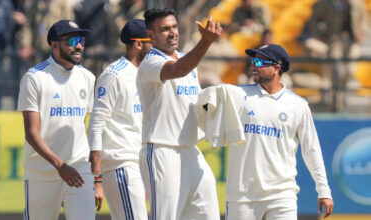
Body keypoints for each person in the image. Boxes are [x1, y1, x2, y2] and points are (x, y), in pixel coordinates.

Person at [225, 44, 334, 219]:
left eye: (259, 62)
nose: (253, 66)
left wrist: (324, 190)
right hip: (242, 197)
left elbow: (311, 150)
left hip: (282, 197)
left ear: (277, 67)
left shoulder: (298, 105)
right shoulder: (238, 95)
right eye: (253, 61)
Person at [136, 7, 222, 220]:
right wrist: (206, 42)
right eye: (165, 29)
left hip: (191, 151)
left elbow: (195, 101)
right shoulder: (149, 63)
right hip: (161, 150)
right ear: (151, 35)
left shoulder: (187, 60)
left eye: (174, 26)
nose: (173, 32)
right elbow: (177, 70)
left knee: (209, 214)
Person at [17, 20, 98, 220]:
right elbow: (31, 132)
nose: (79, 45)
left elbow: (84, 127)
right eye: (72, 40)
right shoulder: (34, 78)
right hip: (42, 173)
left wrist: (97, 178)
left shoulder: (87, 77)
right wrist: (60, 166)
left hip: (79, 169)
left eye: (81, 40)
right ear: (54, 45)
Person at [88, 19, 152, 220]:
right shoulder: (114, 75)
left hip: (139, 164)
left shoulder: (146, 74)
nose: (157, 46)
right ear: (138, 44)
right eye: (152, 41)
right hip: (121, 165)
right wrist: (97, 178)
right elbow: (95, 125)